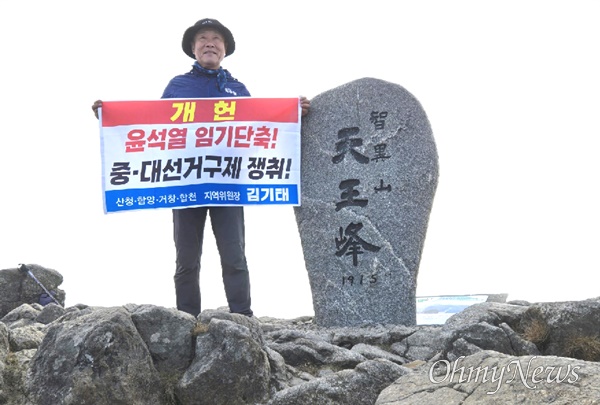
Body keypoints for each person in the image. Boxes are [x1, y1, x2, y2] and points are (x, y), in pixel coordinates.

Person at [92, 18, 310, 318]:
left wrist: (293, 113)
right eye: (203, 38)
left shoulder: (237, 89)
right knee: (187, 260)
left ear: (225, 49)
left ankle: (243, 319)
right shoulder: (178, 86)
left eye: (217, 38)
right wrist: (110, 117)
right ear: (193, 49)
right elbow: (154, 129)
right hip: (185, 185)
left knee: (235, 256)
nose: (210, 42)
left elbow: (259, 129)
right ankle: (186, 320)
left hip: (228, 185)